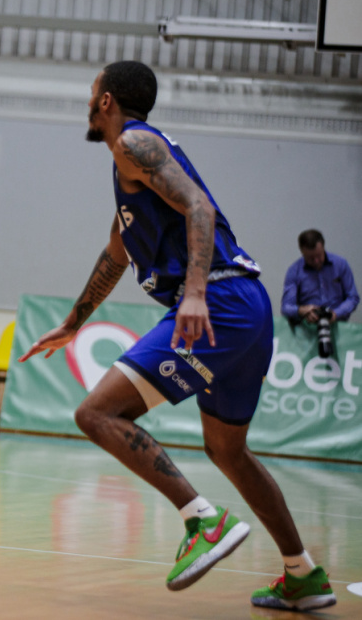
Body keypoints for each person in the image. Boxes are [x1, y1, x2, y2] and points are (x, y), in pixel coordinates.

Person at [19, 61, 335, 611]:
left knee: (96, 414)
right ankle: (302, 574)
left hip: (219, 301)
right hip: (245, 306)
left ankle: (202, 521)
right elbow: (116, 253)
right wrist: (73, 323)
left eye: (92, 92)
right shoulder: (131, 170)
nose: (88, 101)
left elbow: (199, 207)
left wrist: (193, 292)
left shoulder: (133, 143)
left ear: (107, 100)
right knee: (228, 450)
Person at [282, 229, 358, 325]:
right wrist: (301, 311)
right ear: (302, 252)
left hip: (338, 325)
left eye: (319, 255)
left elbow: (352, 298)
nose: (316, 261)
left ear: (323, 247)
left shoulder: (341, 264)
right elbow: (286, 307)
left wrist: (336, 314)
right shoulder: (294, 271)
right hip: (308, 327)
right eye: (311, 258)